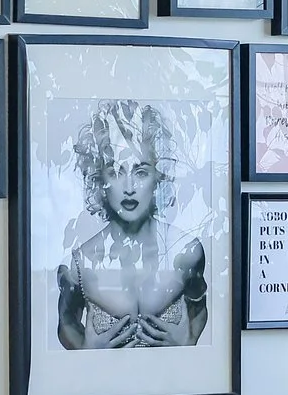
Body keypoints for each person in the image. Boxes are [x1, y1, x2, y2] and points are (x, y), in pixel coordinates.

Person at [57, 99, 208, 350]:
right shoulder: (81, 262)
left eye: (140, 172)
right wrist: (86, 351)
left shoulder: (186, 252)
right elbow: (65, 321)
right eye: (115, 172)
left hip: (172, 388)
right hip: (106, 388)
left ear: (158, 177)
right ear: (100, 179)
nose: (129, 189)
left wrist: (187, 342)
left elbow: (199, 307)